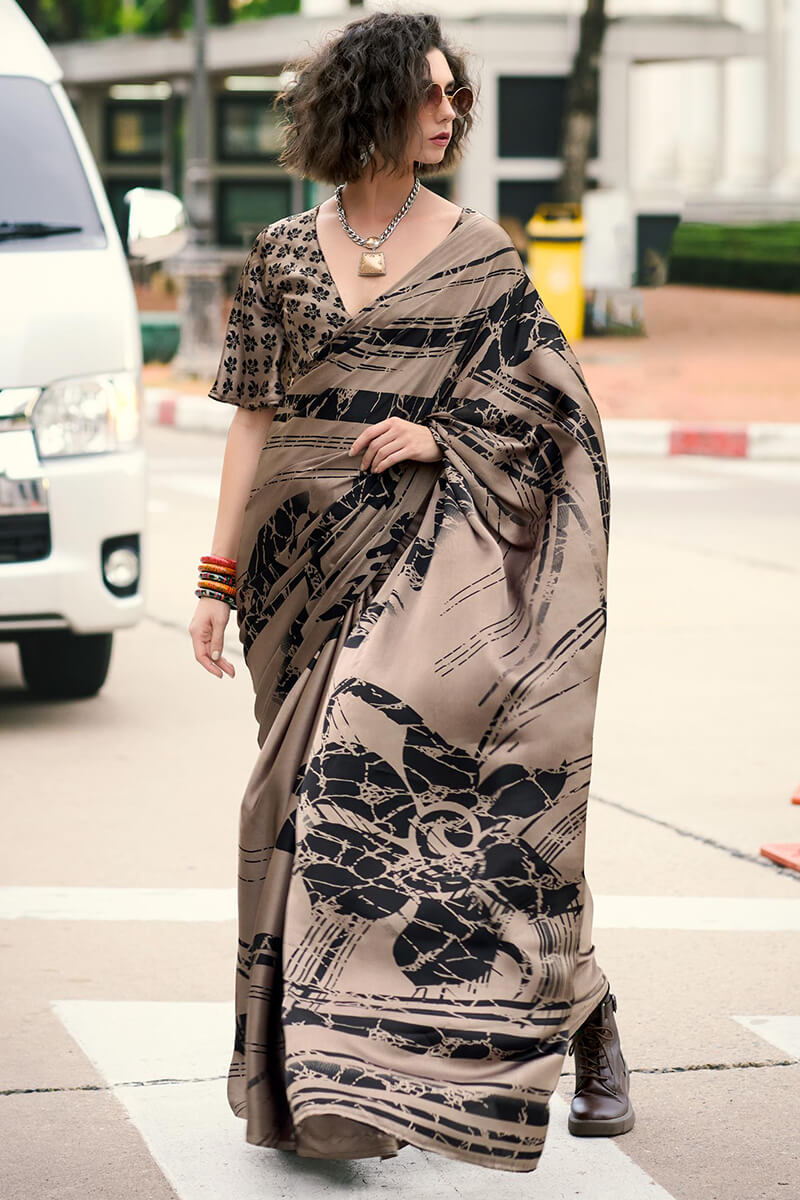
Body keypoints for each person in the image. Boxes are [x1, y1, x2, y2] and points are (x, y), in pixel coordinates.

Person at [188, 8, 634, 1174]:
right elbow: (251, 419)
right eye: (428, 94)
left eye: (455, 95)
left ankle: (575, 1018)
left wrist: (443, 440)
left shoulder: (481, 254)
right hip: (294, 576)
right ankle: (313, 1083)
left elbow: (552, 411)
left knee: (380, 813)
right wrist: (214, 575)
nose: (449, 113)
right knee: (286, 819)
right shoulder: (284, 250)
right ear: (373, 102)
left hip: (429, 573)